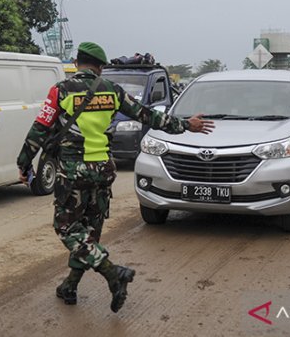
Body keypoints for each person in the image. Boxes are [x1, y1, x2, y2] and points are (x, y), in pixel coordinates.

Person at [17, 42, 214, 313]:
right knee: (89, 236)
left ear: (76, 63)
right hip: (103, 171)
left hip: (73, 172)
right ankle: (70, 287)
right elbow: (148, 116)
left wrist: (24, 163)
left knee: (66, 229)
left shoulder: (61, 90)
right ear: (99, 67)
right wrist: (185, 125)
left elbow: (39, 128)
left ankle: (113, 273)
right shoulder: (112, 90)